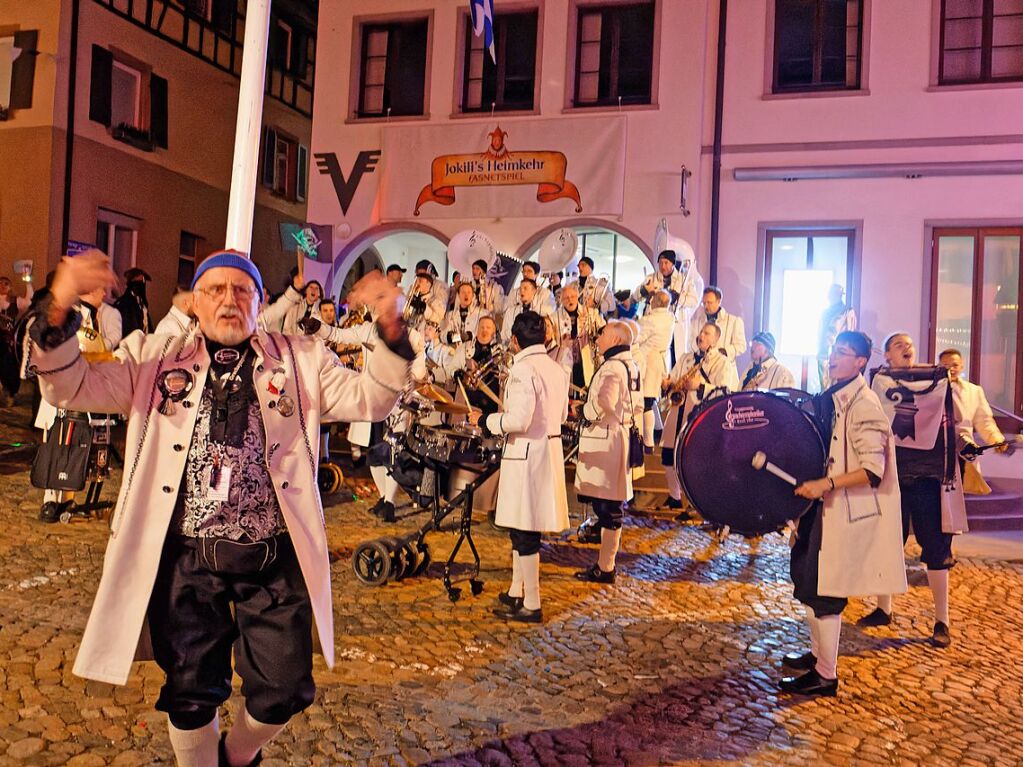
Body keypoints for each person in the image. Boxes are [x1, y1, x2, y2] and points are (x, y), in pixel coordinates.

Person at [24, 248, 411, 767]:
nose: (229, 300)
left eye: (242, 290)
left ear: (262, 302)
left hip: (272, 559)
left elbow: (373, 398)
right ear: (194, 304)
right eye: (215, 290)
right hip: (186, 556)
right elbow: (71, 384)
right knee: (190, 690)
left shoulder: (301, 358)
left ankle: (236, 755)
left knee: (285, 689)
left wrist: (391, 322)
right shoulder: (153, 358)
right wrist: (58, 304)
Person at [782, 331, 907, 696]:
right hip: (817, 508)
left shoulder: (865, 405)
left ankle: (826, 674)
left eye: (843, 352)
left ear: (860, 362)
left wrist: (826, 485)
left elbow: (873, 469)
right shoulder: (832, 397)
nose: (833, 356)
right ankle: (818, 653)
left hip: (839, 510)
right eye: (833, 349)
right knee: (806, 578)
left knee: (826, 590)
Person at [859, 333, 975, 648]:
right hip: (892, 476)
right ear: (886, 356)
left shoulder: (938, 381)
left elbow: (960, 420)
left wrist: (949, 386)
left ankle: (942, 620)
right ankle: (884, 608)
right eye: (899, 345)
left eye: (910, 344)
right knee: (887, 541)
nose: (907, 348)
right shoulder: (879, 384)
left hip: (929, 477)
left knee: (936, 549)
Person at [470, 311, 569, 624]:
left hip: (527, 455)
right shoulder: (555, 368)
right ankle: (516, 591)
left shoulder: (523, 370)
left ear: (514, 340)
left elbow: (518, 420)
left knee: (525, 532)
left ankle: (531, 601)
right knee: (520, 528)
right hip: (547, 451)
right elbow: (563, 415)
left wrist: (486, 421)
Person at [572, 321, 643, 584]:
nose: (598, 338)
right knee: (608, 505)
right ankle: (605, 564)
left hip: (607, 439)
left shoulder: (614, 366)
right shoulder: (631, 364)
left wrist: (584, 411)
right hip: (617, 436)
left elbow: (604, 402)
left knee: (609, 507)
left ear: (614, 338)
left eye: (602, 334)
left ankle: (606, 567)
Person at [660, 322, 739, 515]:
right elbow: (674, 377)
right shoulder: (686, 358)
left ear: (716, 338)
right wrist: (668, 383)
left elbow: (726, 390)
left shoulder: (722, 363)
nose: (701, 335)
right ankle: (674, 497)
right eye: (701, 331)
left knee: (693, 460)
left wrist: (699, 386)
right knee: (668, 454)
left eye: (707, 333)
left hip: (700, 415)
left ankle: (697, 501)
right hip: (678, 410)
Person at [939, 348, 1008, 492]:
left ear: (961, 366)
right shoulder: (932, 389)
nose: (951, 369)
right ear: (939, 366)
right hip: (938, 448)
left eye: (955, 365)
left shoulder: (974, 391)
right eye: (945, 365)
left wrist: (995, 439)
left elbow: (984, 420)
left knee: (962, 491)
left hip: (965, 448)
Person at [633, 290, 674, 449]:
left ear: (654, 302)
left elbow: (637, 337)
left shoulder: (649, 320)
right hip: (662, 360)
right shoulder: (670, 318)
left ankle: (648, 442)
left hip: (648, 361)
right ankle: (657, 432)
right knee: (651, 399)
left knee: (646, 401)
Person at [553, 283, 605, 393]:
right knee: (567, 392)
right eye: (566, 298)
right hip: (565, 362)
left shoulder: (591, 313)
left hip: (586, 360)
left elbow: (603, 329)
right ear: (561, 300)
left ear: (578, 296)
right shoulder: (554, 317)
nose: (570, 300)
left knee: (587, 390)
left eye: (572, 296)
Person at [688, 286, 746, 383]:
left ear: (719, 301)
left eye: (709, 302)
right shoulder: (696, 322)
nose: (706, 306)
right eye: (704, 303)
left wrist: (725, 351)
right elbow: (690, 344)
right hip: (702, 374)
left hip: (726, 374)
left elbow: (741, 346)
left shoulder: (734, 321)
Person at [0, 274, 33, 406]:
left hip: (9, 340)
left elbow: (29, 301)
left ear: (10, 287)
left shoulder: (15, 300)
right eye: (0, 283)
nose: (2, 285)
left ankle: (11, 392)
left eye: (6, 283)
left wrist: (27, 282)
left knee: (10, 366)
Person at [817, 284, 856, 390]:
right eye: (830, 292)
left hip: (838, 353)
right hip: (823, 353)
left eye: (834, 292)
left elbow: (850, 334)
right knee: (824, 387)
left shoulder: (847, 311)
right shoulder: (825, 312)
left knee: (837, 386)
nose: (830, 295)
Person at [114, 267, 154, 336]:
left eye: (143, 281)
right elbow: (128, 328)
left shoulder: (142, 302)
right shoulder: (124, 303)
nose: (141, 285)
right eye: (138, 282)